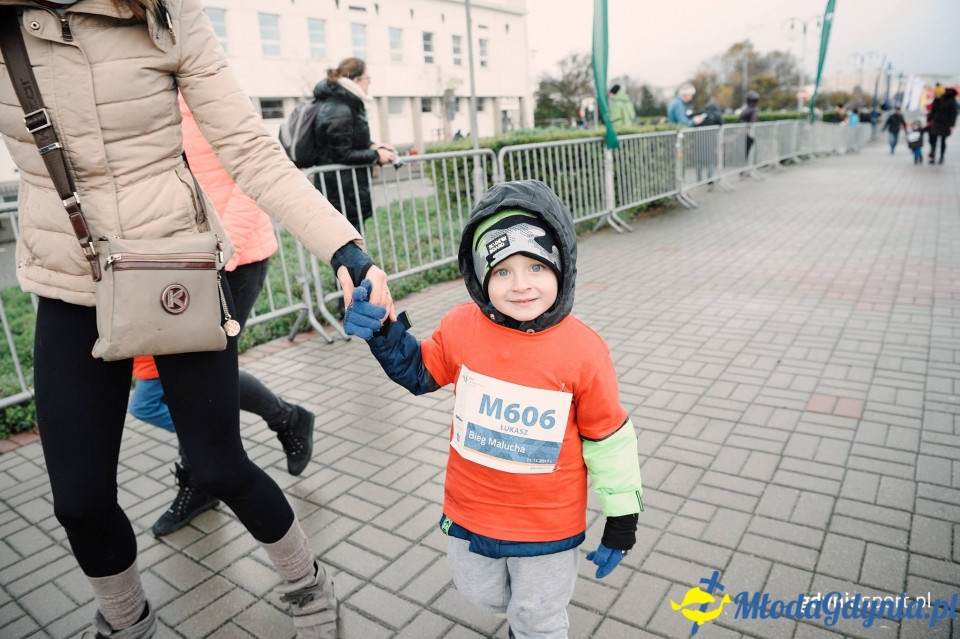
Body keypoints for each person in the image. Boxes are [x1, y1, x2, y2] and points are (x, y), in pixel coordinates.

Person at [0, 4, 395, 639]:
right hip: (68, 280)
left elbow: (248, 149)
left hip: (174, 273)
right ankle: (126, 621)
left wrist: (345, 249)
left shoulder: (164, 11)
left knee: (217, 464)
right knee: (79, 501)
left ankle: (305, 581)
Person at [343, 179, 644, 638]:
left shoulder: (584, 350)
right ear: (481, 275)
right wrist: (384, 331)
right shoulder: (462, 325)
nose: (520, 285)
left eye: (536, 267)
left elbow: (608, 438)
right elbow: (420, 372)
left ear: (561, 266)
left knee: (537, 617)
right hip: (472, 511)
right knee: (483, 595)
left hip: (547, 524)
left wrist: (622, 516)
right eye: (502, 271)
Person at [129, 96, 317, 538]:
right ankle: (279, 422)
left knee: (195, 382)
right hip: (168, 266)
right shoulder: (134, 104)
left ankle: (205, 476)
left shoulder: (208, 92)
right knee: (163, 392)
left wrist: (214, 253)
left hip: (232, 261)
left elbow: (251, 178)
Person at [311, 57, 397, 234]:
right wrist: (376, 156)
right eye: (368, 79)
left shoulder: (345, 103)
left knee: (354, 247)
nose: (369, 84)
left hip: (347, 189)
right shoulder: (339, 108)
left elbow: (351, 142)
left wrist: (374, 146)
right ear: (356, 80)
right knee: (351, 250)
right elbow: (342, 154)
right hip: (341, 192)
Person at [927, 86, 957, 164]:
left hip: (946, 123)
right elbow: (933, 110)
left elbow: (953, 113)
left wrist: (952, 124)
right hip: (936, 121)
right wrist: (929, 119)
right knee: (933, 138)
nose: (936, 96)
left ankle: (941, 157)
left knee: (943, 140)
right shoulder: (936, 99)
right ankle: (933, 155)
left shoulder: (951, 99)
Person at [738, 90, 760, 165]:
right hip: (744, 134)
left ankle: (746, 167)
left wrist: (745, 124)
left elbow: (753, 122)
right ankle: (744, 167)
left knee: (746, 153)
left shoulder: (753, 110)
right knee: (743, 153)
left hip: (749, 134)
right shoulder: (747, 108)